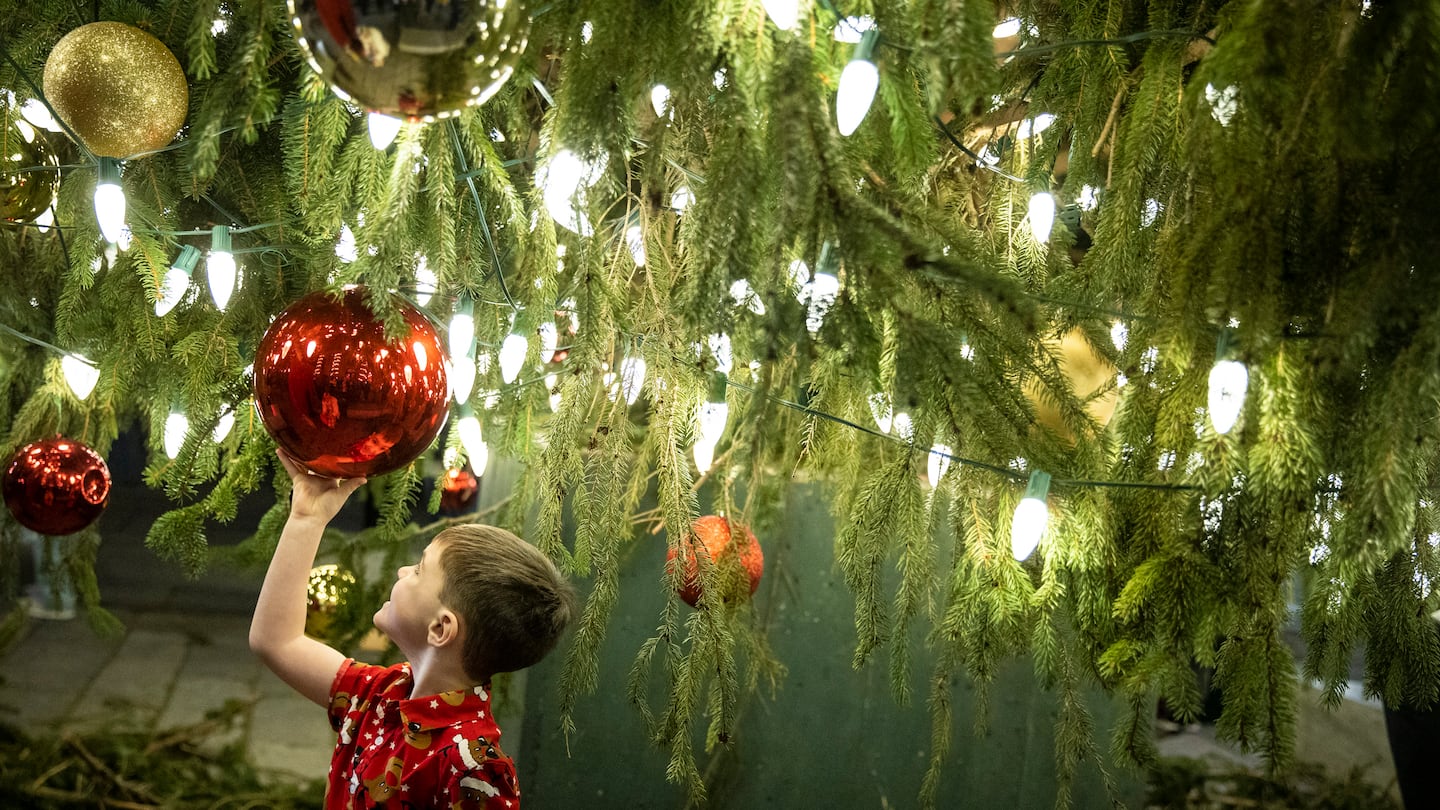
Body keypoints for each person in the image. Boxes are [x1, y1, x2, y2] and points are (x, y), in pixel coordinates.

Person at [250, 451, 576, 808]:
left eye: (420, 569)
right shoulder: (380, 696)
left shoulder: (473, 770)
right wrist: (306, 519)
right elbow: (277, 641)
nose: (404, 571)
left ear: (440, 628)